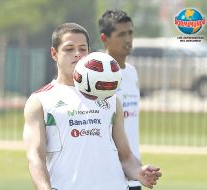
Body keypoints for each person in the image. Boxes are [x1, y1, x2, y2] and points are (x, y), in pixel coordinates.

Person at [23, 22, 161, 190]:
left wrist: (138, 172)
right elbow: (35, 156)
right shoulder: (40, 100)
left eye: (82, 49)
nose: (77, 54)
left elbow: (125, 157)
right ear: (54, 53)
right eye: (69, 49)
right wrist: (44, 188)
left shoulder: (109, 97)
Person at [99, 9, 142, 190]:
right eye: (121, 34)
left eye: (130, 32)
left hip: (132, 172)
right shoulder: (98, 74)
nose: (128, 39)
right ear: (104, 38)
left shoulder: (131, 72)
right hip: (107, 175)